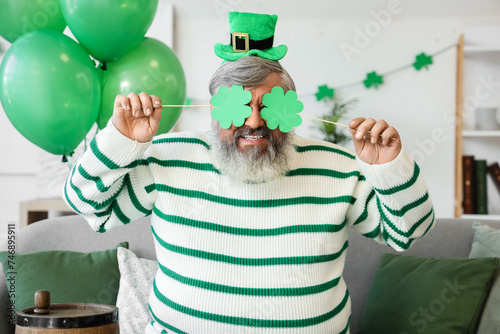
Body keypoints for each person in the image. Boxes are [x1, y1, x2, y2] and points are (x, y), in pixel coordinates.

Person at [63, 12, 434, 334]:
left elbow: (407, 232)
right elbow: (91, 209)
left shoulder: (337, 166)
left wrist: (388, 166)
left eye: (268, 106)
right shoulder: (168, 157)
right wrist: (119, 141)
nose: (254, 122)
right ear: (213, 110)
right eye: (238, 105)